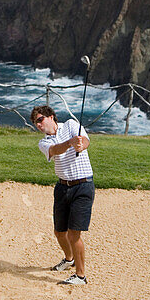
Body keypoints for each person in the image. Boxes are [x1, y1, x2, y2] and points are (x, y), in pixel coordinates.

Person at [30, 104, 94, 285]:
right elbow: (56, 150)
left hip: (83, 186)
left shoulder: (71, 125)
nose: (39, 125)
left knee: (74, 235)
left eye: (41, 119)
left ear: (51, 117)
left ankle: (81, 276)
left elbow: (85, 141)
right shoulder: (44, 142)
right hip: (62, 188)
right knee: (59, 232)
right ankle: (69, 259)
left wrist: (81, 145)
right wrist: (70, 144)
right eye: (36, 123)